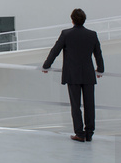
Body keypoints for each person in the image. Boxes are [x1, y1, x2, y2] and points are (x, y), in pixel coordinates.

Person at [42, 8, 104, 142]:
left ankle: (79, 134)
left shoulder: (66, 34)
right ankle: (89, 133)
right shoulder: (92, 34)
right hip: (88, 74)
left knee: (76, 106)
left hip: (72, 75)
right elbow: (98, 54)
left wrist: (46, 65)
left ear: (72, 20)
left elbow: (55, 51)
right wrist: (100, 69)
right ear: (84, 20)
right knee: (89, 105)